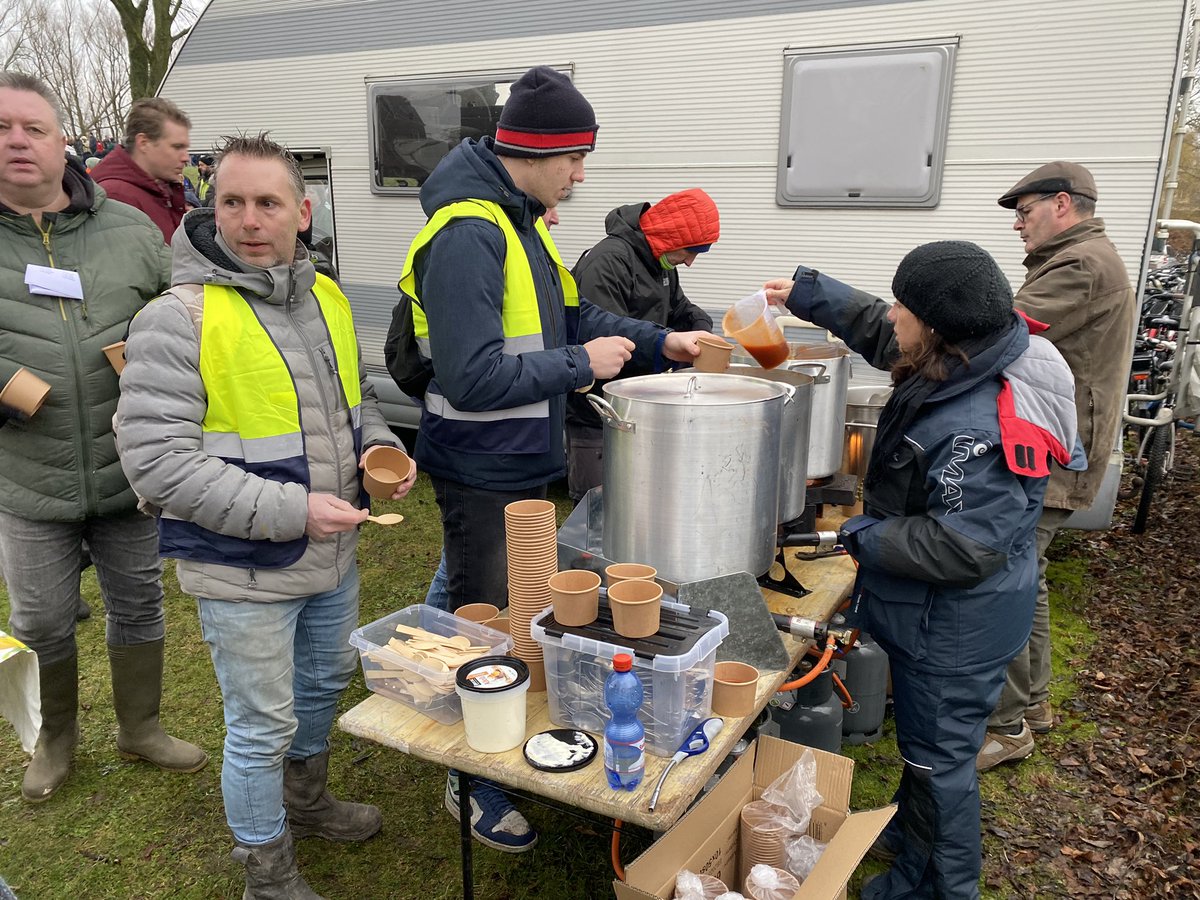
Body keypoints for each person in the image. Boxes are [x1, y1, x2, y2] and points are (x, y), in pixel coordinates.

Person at [397, 65, 704, 851]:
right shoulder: (471, 231)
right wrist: (584, 365)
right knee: (490, 621)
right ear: (536, 150)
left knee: (482, 595)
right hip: (480, 459)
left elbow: (574, 314)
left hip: (513, 457)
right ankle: (471, 782)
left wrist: (655, 341)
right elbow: (472, 373)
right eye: (574, 156)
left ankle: (436, 685)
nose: (581, 172)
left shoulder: (520, 221)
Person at [114, 133, 415, 898]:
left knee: (322, 687)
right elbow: (157, 465)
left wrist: (381, 453)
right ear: (211, 210)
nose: (250, 220)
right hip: (238, 566)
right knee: (260, 725)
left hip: (329, 554)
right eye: (233, 203)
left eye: (268, 203)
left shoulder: (327, 298)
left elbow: (359, 405)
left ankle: (306, 802)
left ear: (302, 212)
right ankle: (266, 871)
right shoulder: (176, 319)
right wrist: (293, 509)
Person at [764, 241, 1083, 900]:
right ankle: (914, 835)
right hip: (947, 612)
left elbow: (966, 546)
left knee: (940, 763)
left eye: (905, 306)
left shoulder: (981, 425)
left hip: (956, 624)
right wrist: (804, 292)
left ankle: (934, 886)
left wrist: (859, 533)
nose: (894, 316)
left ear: (937, 326)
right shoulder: (975, 348)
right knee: (927, 747)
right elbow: (885, 331)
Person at [0, 72, 206, 803]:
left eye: (33, 127)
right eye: (1, 128)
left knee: (139, 601)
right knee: (43, 620)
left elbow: (180, 318)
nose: (17, 141)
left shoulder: (128, 228)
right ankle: (55, 740)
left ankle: (140, 727)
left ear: (65, 143)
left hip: (129, 467)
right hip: (27, 475)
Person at [977, 162, 1137, 770]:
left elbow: (998, 330)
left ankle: (1008, 724)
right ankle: (1033, 702)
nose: (1018, 226)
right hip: (1064, 449)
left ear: (1062, 204)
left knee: (1008, 584)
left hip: (1054, 456)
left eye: (1025, 212)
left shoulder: (1079, 267)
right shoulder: (1085, 259)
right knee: (1030, 579)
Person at [565, 188, 720, 499]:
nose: (689, 262)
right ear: (669, 237)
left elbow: (682, 309)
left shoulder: (662, 264)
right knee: (599, 508)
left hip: (640, 405)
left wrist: (702, 330)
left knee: (638, 504)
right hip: (599, 411)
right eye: (690, 252)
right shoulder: (608, 262)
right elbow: (605, 337)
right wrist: (667, 350)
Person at [91, 97, 191, 242]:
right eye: (177, 147)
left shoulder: (156, 188)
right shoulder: (117, 196)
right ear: (143, 143)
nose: (185, 157)